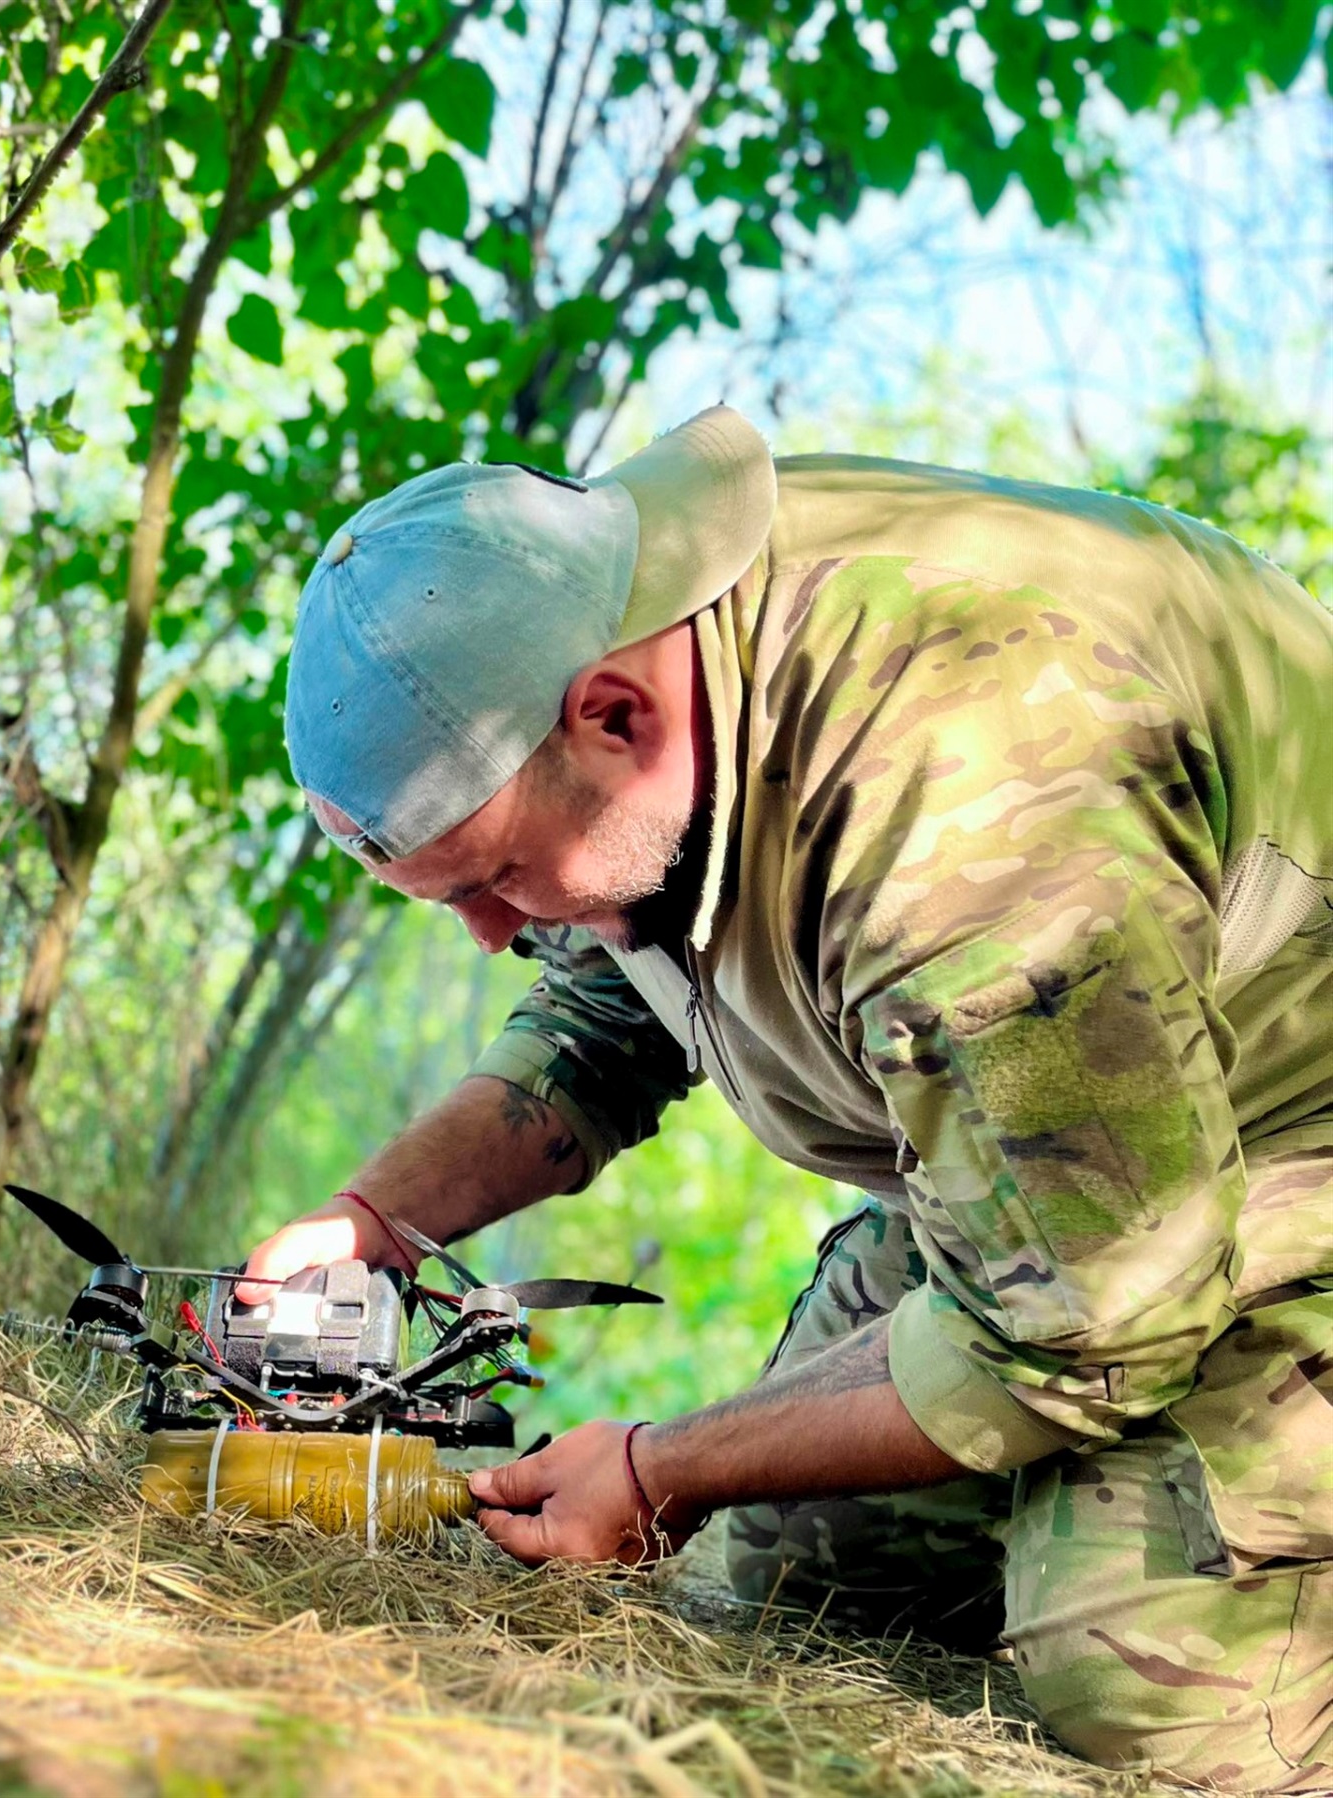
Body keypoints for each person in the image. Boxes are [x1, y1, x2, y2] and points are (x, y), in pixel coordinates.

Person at [238, 405, 1333, 1789]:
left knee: (1143, 1660)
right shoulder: (632, 668)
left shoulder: (965, 807)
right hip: (1097, 1148)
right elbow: (604, 1009)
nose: (493, 934)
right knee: (781, 1587)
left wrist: (656, 1467)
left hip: (1280, 1140)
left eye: (493, 879)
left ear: (614, 716)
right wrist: (371, 1219)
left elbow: (1093, 1323)